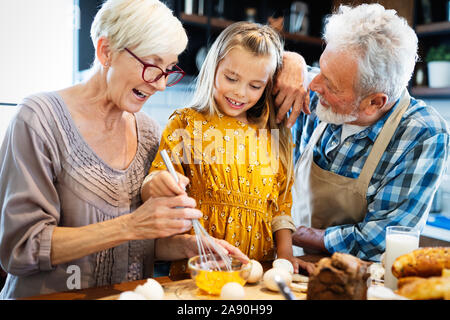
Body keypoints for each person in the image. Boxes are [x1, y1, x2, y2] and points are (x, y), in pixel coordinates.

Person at [0, 0, 247, 299]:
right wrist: (132, 225)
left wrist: (185, 246)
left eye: (168, 70)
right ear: (106, 51)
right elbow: (20, 248)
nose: (161, 85)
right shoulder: (38, 120)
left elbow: (136, 243)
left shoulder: (148, 132)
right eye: (152, 66)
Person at [281, 4, 449, 263]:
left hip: (359, 280)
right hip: (288, 262)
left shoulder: (422, 132)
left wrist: (302, 235)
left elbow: (381, 238)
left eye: (331, 84)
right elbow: (255, 63)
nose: (313, 85)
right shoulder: (318, 93)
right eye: (319, 69)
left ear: (375, 102)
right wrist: (290, 60)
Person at [141, 21, 309, 274]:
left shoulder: (272, 132)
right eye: (231, 78)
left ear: (267, 86)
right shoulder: (186, 123)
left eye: (255, 86)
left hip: (259, 272)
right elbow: (155, 185)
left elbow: (281, 208)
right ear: (213, 68)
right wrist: (156, 182)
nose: (240, 93)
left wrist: (285, 257)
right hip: (197, 272)